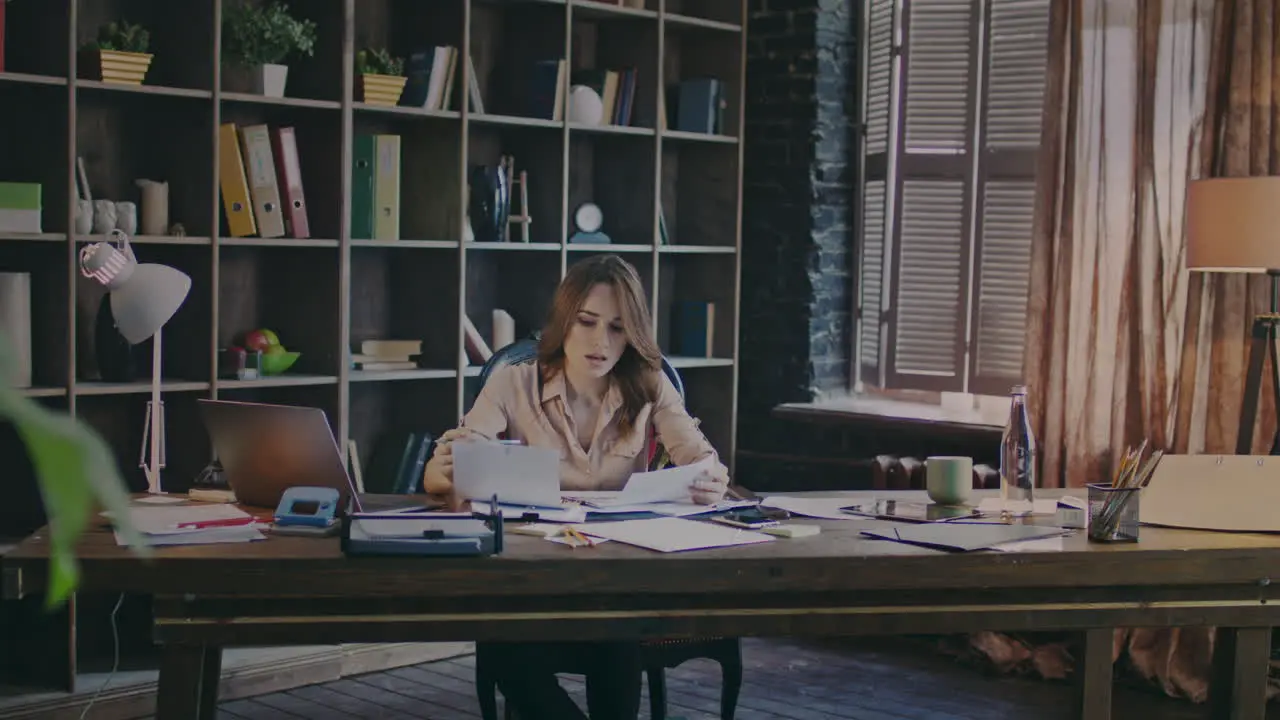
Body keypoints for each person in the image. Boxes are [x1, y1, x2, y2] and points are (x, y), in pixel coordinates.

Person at [423, 254, 731, 719]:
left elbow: (702, 460)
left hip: (612, 577)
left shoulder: (649, 383)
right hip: (530, 580)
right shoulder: (514, 381)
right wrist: (450, 468)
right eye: (587, 322)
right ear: (565, 320)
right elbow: (441, 472)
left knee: (618, 638)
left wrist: (710, 478)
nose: (599, 341)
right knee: (509, 648)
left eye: (617, 327)